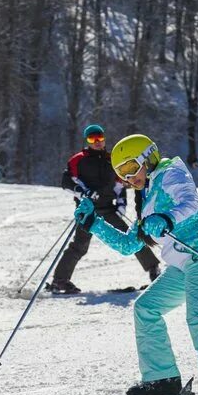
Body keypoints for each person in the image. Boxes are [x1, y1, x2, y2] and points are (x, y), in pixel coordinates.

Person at [73, 133, 198, 395]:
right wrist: (93, 223)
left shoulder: (171, 172)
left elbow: (191, 204)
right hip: (183, 265)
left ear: (148, 158)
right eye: (121, 174)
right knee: (146, 308)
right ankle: (163, 381)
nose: (128, 178)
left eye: (131, 168)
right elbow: (128, 244)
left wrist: (168, 218)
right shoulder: (147, 200)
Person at [50, 124, 161, 294]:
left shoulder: (112, 159)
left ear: (104, 139)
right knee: (79, 245)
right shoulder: (78, 159)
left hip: (109, 208)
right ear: (87, 141)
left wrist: (121, 205)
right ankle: (60, 281)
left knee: (134, 237)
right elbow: (66, 182)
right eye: (92, 139)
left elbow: (120, 184)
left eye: (99, 138)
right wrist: (82, 192)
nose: (97, 142)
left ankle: (154, 270)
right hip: (88, 210)